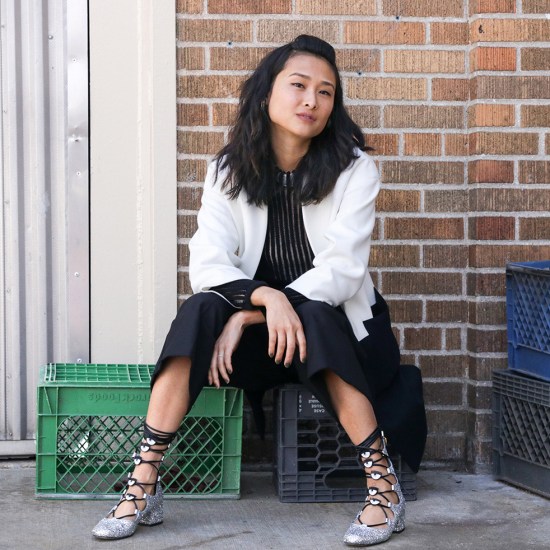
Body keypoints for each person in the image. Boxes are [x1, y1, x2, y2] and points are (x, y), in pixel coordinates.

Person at [92, 34, 425, 546]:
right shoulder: (228, 170)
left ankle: (384, 489)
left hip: (341, 345)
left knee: (314, 313)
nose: (312, 100)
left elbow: (342, 271)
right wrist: (265, 298)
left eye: (326, 92)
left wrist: (250, 313)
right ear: (267, 93)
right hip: (261, 351)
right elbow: (206, 264)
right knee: (200, 309)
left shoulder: (354, 170)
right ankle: (144, 483)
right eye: (299, 86)